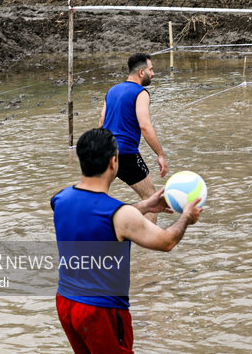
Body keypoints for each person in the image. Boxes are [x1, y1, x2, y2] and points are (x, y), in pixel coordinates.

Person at [52, 127, 202, 353]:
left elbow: (97, 217)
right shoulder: (120, 214)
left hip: (66, 302)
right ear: (113, 162)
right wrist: (186, 218)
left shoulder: (60, 199)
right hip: (101, 310)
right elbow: (167, 241)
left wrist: (144, 206)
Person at [99, 53, 168, 223]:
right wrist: (160, 154)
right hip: (126, 154)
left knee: (98, 198)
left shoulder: (112, 90)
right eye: (150, 70)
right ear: (141, 72)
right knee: (150, 198)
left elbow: (101, 123)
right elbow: (145, 125)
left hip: (104, 151)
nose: (153, 73)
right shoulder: (140, 93)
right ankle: (148, 244)